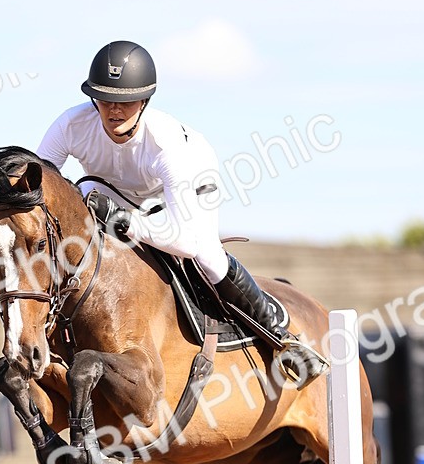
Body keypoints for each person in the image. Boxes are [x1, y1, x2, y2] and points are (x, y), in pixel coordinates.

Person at [36, 40, 326, 383]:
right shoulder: (70, 125)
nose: (114, 110)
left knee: (206, 254)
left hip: (185, 191)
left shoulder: (167, 146)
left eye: (126, 101)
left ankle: (281, 338)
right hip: (113, 188)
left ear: (143, 101)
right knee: (80, 195)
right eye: (105, 99)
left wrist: (121, 220)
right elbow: (38, 189)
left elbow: (185, 241)